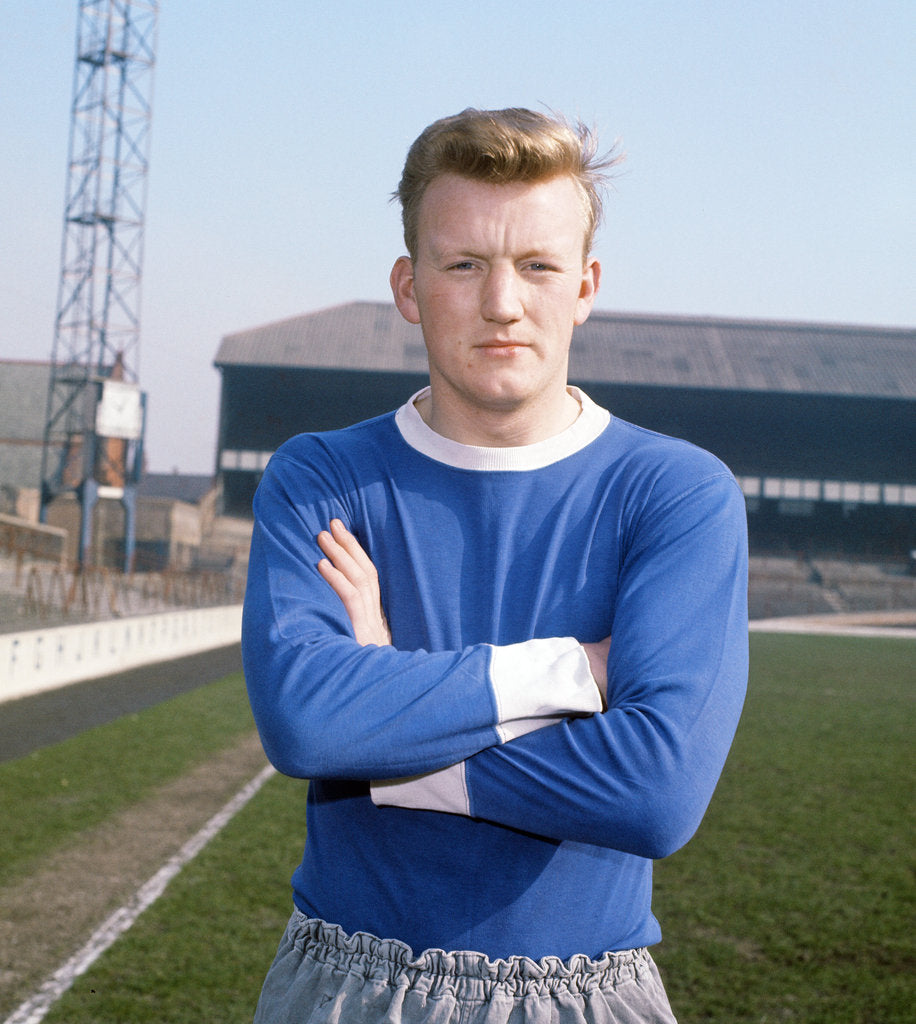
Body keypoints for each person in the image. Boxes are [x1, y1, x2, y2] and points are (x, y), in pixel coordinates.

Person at [242, 107, 748, 1023]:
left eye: (539, 266)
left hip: (585, 992)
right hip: (344, 984)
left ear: (585, 285)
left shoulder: (676, 492)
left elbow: (655, 792)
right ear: (409, 286)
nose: (503, 303)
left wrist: (386, 733)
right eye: (464, 264)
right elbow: (307, 723)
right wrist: (570, 672)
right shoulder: (324, 478)